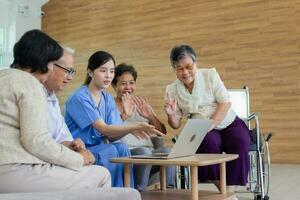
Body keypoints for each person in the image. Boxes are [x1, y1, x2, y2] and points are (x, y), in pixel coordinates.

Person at [0, 30, 111, 193]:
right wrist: (79, 159)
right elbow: (36, 142)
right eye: (52, 63)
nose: (51, 69)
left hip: (11, 167)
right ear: (42, 61)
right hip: (13, 170)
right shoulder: (30, 84)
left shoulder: (4, 77)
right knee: (101, 174)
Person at [65, 51, 164, 187]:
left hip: (100, 147)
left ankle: (128, 193)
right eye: (103, 70)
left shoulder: (107, 98)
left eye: (111, 71)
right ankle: (112, 194)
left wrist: (127, 124)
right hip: (80, 149)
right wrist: (135, 127)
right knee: (110, 150)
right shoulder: (79, 97)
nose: (108, 76)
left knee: (122, 148)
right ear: (90, 72)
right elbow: (104, 129)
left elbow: (112, 136)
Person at [164, 44, 251, 194]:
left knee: (241, 140)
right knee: (207, 144)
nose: (185, 72)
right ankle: (227, 194)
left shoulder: (210, 75)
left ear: (195, 63)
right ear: (174, 69)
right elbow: (175, 125)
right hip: (201, 126)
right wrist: (171, 114)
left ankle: (228, 193)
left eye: (188, 66)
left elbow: (225, 102)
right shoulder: (172, 89)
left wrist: (213, 123)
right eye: (180, 68)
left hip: (227, 120)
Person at [112, 63, 175, 191]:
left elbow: (162, 132)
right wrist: (129, 124)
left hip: (150, 153)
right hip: (127, 153)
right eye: (123, 83)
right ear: (114, 85)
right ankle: (139, 193)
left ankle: (170, 191)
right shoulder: (110, 105)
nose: (128, 87)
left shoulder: (141, 104)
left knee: (169, 152)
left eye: (131, 83)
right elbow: (108, 131)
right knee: (143, 153)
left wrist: (151, 116)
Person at [43, 46, 92, 154]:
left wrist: (72, 144)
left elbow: (62, 137)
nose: (70, 77)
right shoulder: (33, 94)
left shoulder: (52, 98)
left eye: (72, 72)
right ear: (50, 66)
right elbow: (41, 145)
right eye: (67, 71)